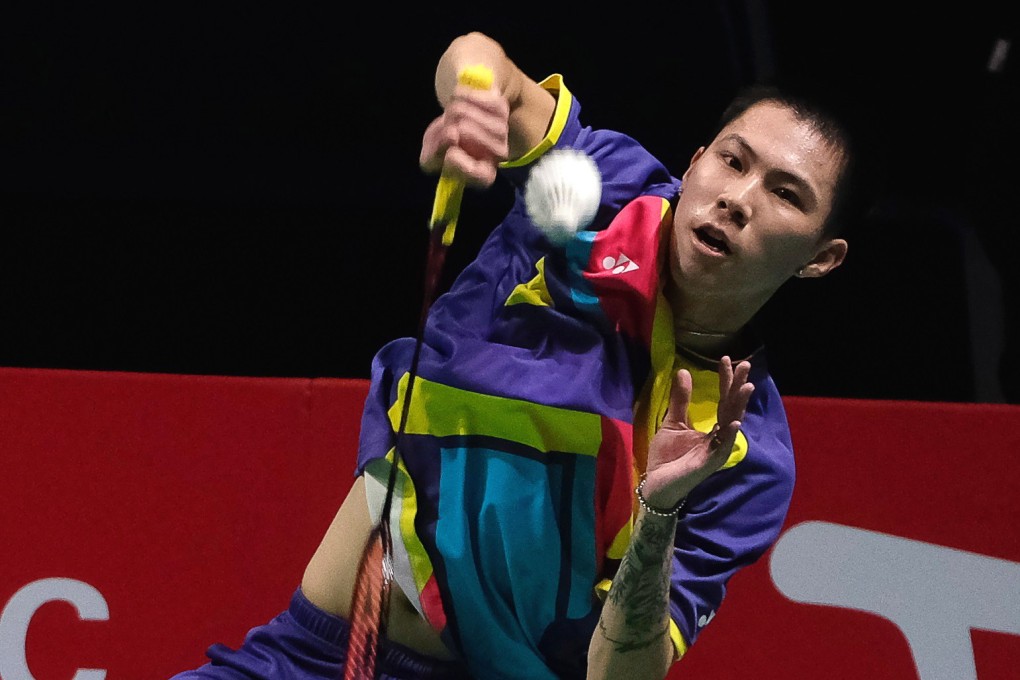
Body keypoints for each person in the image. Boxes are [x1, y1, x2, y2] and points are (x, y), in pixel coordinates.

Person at [171, 29, 875, 680]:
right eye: (731, 161)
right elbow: (482, 58)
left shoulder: (746, 451)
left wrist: (657, 517)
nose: (737, 199)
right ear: (696, 162)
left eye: (785, 194)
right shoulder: (606, 187)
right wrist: (473, 96)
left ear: (821, 258)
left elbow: (622, 673)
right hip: (314, 657)